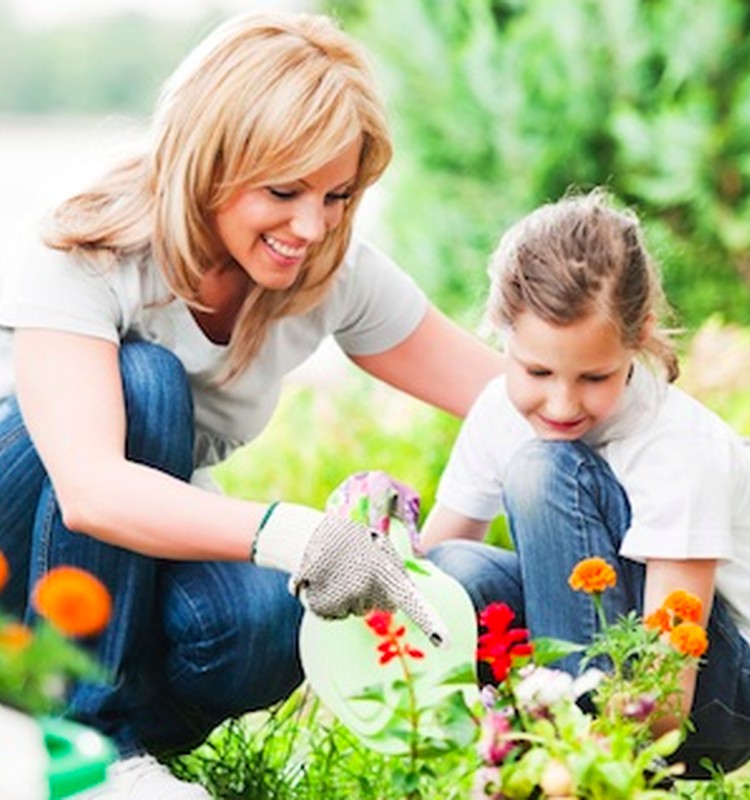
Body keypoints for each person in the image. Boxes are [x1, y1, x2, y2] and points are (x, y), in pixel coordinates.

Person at [0, 11, 503, 799]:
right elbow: (91, 491)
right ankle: (89, 749)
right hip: (21, 533)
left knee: (268, 623)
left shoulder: (327, 269)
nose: (311, 225)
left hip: (114, 575)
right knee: (148, 386)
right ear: (211, 160)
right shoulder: (88, 248)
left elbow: (509, 397)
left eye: (337, 194)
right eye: (283, 190)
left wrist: (674, 446)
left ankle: (79, 733)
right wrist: (294, 534)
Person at [422, 189, 750, 778]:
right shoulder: (500, 408)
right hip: (607, 662)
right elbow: (423, 578)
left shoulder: (679, 449)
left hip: (717, 693)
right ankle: (544, 748)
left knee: (542, 467)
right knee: (451, 571)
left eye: (595, 376)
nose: (561, 403)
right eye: (537, 370)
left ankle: (571, 770)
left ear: (640, 337)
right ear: (502, 334)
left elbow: (668, 706)